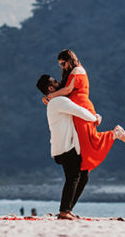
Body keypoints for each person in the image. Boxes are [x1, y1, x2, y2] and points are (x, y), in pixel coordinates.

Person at [44, 49, 125, 173]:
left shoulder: (77, 70)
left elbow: (68, 89)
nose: (62, 67)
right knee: (85, 140)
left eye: (63, 64)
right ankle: (114, 134)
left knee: (88, 139)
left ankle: (114, 134)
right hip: (76, 108)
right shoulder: (72, 72)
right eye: (60, 65)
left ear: (70, 60)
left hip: (82, 107)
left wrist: (52, 96)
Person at [36, 74, 100, 220]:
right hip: (66, 148)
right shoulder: (59, 100)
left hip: (63, 147)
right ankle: (64, 210)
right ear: (51, 88)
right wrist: (95, 118)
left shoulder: (55, 101)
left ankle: (67, 209)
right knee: (74, 177)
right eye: (56, 82)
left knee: (82, 176)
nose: (60, 83)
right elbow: (80, 111)